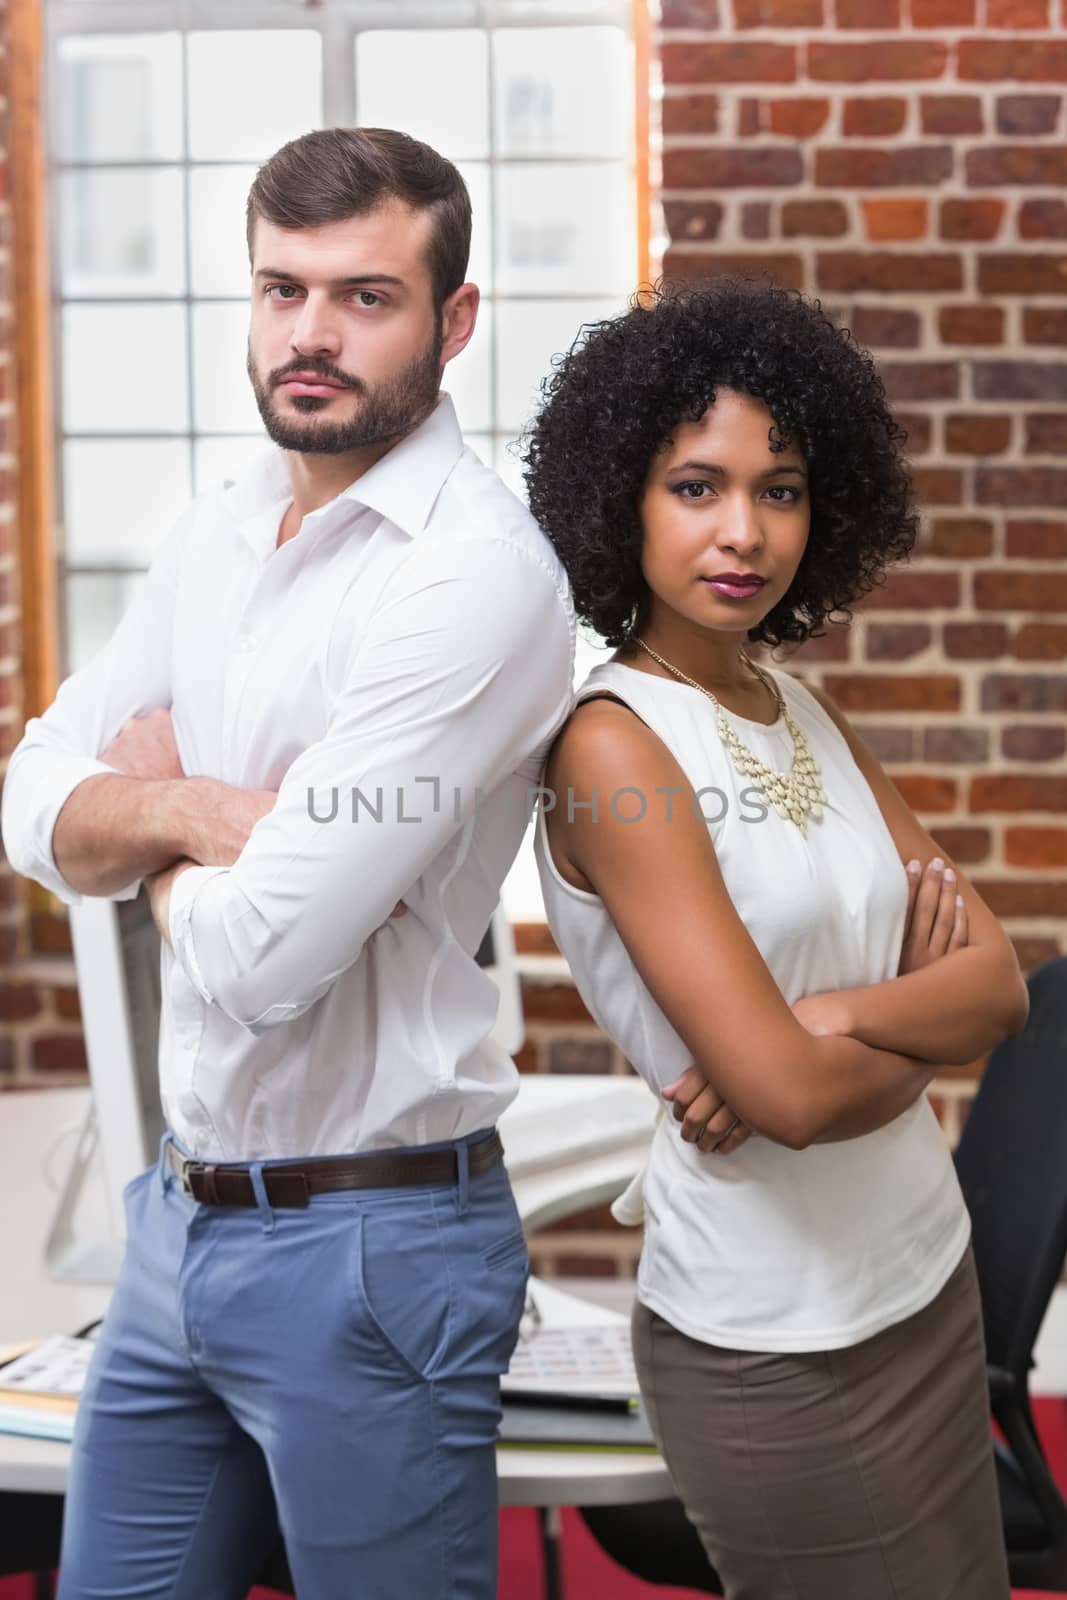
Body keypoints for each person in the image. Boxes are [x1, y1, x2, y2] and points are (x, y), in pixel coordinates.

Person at [2, 127, 574, 1599]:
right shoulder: (216, 531)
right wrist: (198, 819)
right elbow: (29, 804)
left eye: (365, 297)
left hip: (371, 1249)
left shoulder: (476, 576)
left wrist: (134, 825)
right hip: (180, 1219)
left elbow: (262, 963)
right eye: (281, 289)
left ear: (452, 321)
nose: (310, 334)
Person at [525, 277, 1026, 1599]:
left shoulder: (799, 706)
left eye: (783, 488)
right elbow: (790, 1105)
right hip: (774, 1338)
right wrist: (878, 1025)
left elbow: (1001, 984)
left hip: (925, 1272)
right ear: (619, 500)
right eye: (697, 486)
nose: (744, 530)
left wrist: (829, 1020)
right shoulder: (611, 746)